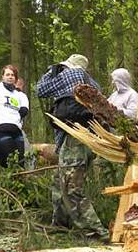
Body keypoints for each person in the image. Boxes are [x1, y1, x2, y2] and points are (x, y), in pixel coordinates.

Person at [36, 53, 109, 240]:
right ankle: (60, 225)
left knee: (71, 187)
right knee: (58, 181)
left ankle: (95, 231)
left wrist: (52, 71)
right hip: (90, 139)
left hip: (74, 138)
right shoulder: (93, 83)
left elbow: (41, 89)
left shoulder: (70, 75)